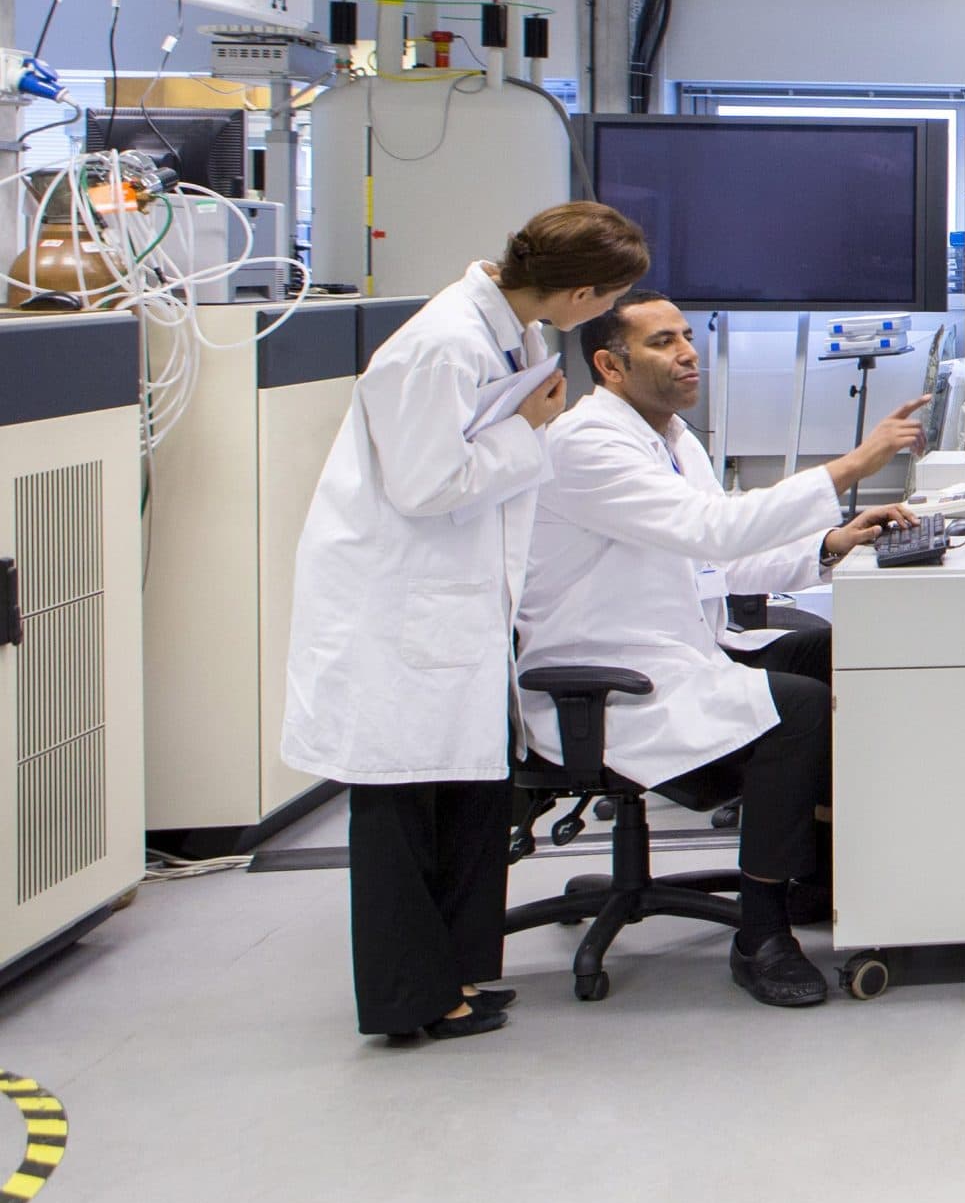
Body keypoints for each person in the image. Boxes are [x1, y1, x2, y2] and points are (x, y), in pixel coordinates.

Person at [282, 202, 650, 1041]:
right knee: (405, 810)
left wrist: (522, 431)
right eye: (611, 295)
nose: (610, 310)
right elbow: (425, 483)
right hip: (401, 607)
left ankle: (455, 975)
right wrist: (529, 428)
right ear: (581, 293)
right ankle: (412, 999)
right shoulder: (444, 343)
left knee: (465, 798)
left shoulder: (511, 329)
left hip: (453, 602)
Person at [513, 292, 926, 1006]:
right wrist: (855, 464)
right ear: (609, 365)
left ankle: (813, 877)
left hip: (682, 651)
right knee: (797, 709)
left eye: (686, 336)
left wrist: (831, 542)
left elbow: (719, 562)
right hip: (607, 682)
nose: (687, 352)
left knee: (835, 655)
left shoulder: (672, 438)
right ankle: (759, 934)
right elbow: (714, 530)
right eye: (662, 342)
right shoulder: (586, 444)